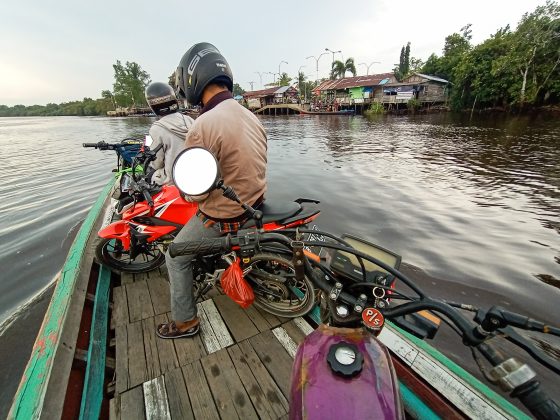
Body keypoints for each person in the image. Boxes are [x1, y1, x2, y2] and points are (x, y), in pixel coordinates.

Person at [156, 42, 268, 339]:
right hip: (256, 203)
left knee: (175, 256)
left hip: (225, 215)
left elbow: (197, 191)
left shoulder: (203, 124)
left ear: (192, 81)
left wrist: (186, 194)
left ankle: (185, 322)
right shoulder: (252, 117)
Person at [144, 82, 194, 186]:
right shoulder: (190, 120)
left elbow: (156, 164)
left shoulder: (156, 128)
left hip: (173, 179)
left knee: (147, 172)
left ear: (152, 106)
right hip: (194, 174)